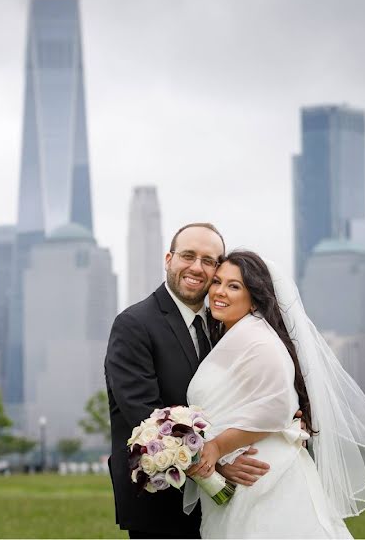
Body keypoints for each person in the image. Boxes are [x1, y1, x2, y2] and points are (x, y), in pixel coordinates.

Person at [184, 250, 365, 538]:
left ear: (255, 298)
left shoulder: (258, 339)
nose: (220, 292)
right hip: (241, 474)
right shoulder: (233, 335)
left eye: (234, 286)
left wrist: (216, 448)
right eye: (217, 282)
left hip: (263, 475)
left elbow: (276, 407)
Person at [105, 224, 272, 539]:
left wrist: (283, 416)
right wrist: (217, 465)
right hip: (162, 503)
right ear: (168, 259)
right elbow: (146, 417)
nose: (197, 267)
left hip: (225, 508)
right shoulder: (134, 325)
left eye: (209, 260)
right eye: (188, 256)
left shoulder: (223, 325)